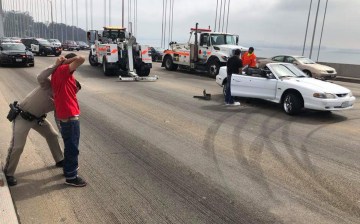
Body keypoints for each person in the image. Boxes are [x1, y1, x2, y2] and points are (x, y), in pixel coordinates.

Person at [4, 57, 67, 186]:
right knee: (18, 146)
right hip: (22, 116)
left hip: (38, 119)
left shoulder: (62, 96)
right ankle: (8, 173)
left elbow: (58, 117)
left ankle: (59, 159)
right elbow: (41, 77)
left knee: (52, 135)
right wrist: (55, 65)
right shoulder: (48, 85)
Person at [51, 53, 86, 187]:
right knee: (72, 147)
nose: (75, 68)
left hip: (66, 114)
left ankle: (68, 169)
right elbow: (81, 58)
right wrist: (65, 61)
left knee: (69, 145)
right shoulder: (62, 71)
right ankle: (71, 176)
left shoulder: (60, 73)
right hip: (69, 116)